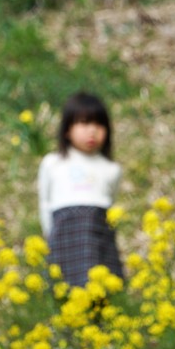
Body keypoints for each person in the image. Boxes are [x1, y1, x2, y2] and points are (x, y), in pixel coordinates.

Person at [38, 91, 124, 287]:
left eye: (99, 124)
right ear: (67, 129)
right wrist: (49, 235)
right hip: (64, 234)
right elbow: (45, 202)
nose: (92, 131)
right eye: (84, 123)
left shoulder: (111, 169)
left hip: (99, 234)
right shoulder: (53, 163)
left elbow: (112, 207)